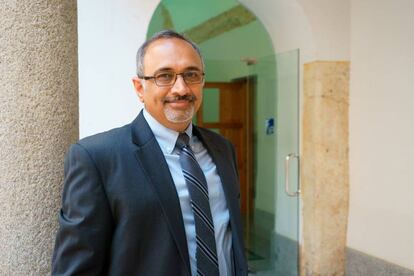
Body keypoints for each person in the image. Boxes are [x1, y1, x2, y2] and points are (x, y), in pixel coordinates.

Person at [52, 30, 247, 276]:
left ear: (202, 81)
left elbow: (227, 239)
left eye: (191, 75)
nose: (181, 88)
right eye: (165, 76)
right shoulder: (97, 158)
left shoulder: (222, 149)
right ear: (139, 88)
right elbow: (76, 268)